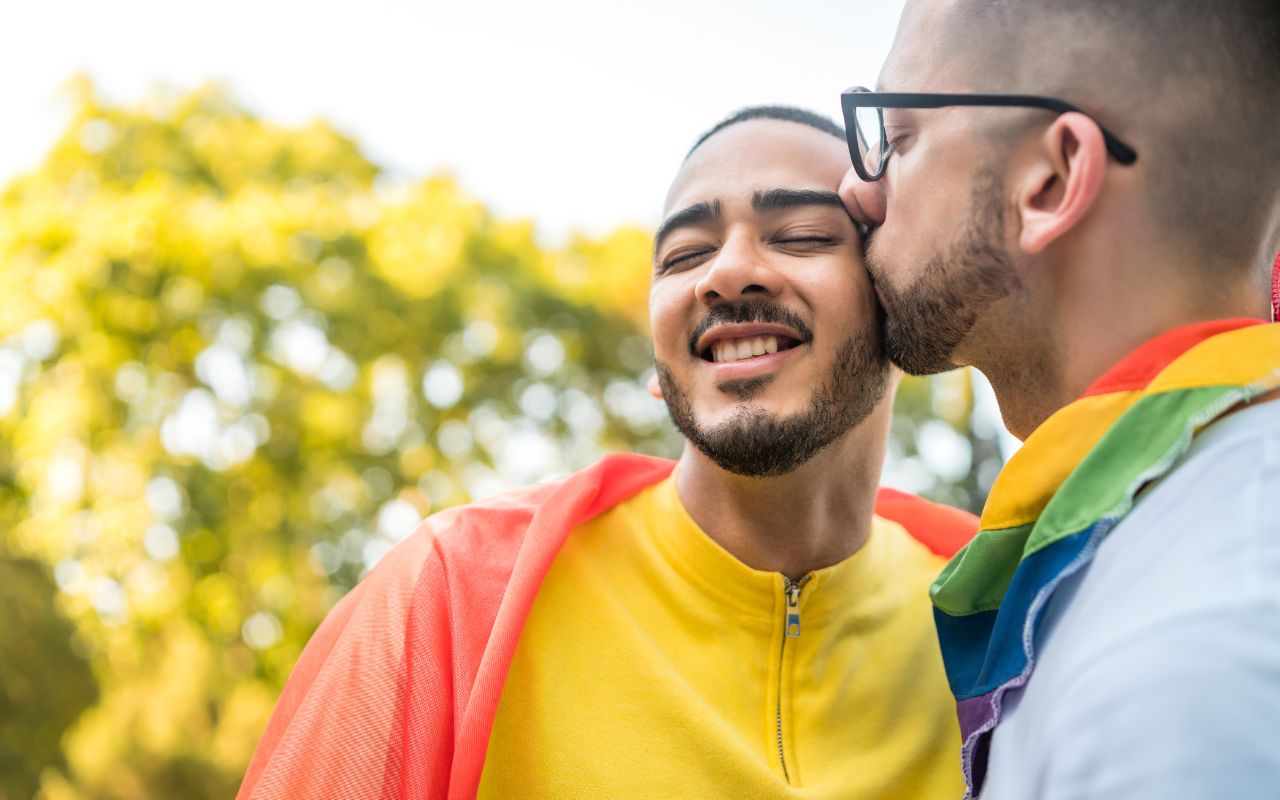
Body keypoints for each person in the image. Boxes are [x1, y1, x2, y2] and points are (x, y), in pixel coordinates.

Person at [237, 106, 978, 800]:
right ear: (662, 365)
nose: (724, 273)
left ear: (899, 304)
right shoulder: (452, 593)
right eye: (685, 254)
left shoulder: (1005, 618)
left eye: (802, 236)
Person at [837, 2, 1280, 798]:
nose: (855, 190)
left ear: (1049, 181)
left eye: (898, 138)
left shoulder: (1198, 641)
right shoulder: (1175, 552)